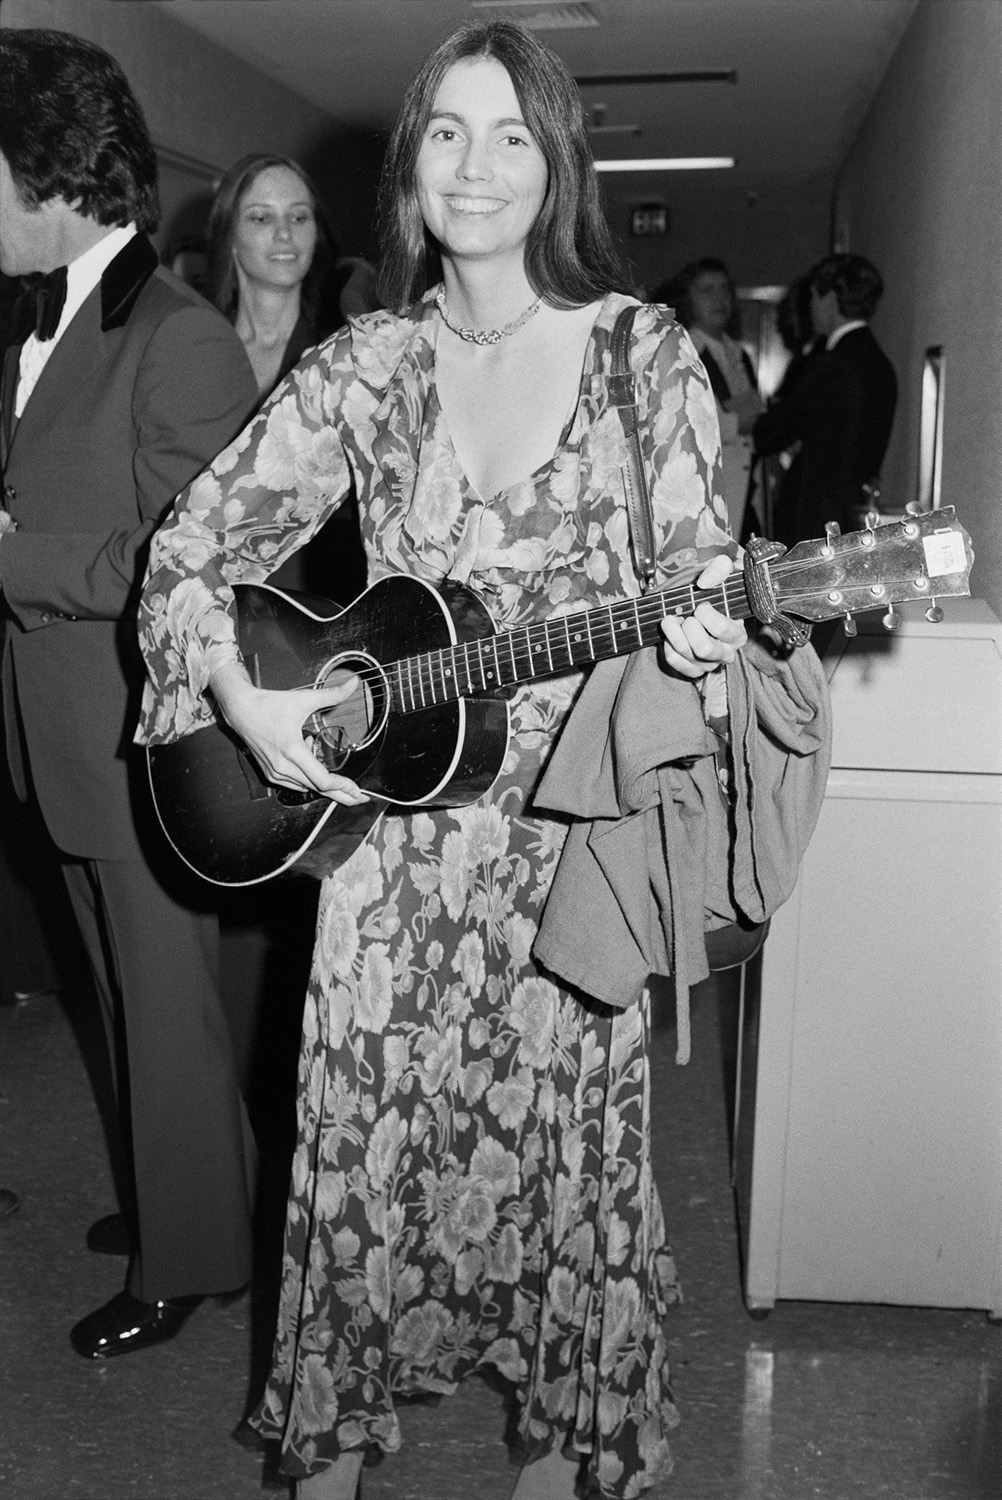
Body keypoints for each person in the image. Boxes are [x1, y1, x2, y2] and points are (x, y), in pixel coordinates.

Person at [137, 20, 825, 1499]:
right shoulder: (366, 364)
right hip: (384, 873)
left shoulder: (645, 360)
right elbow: (189, 549)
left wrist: (708, 642)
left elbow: (698, 567)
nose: (477, 163)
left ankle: (570, 1455)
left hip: (561, 861)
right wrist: (237, 695)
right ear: (410, 171)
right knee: (361, 1178)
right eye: (446, 131)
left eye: (512, 132)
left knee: (567, 1191)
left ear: (556, 162)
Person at [0, 28, 260, 1357]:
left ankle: (191, 1259)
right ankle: (191, 1203)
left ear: (48, 175)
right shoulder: (40, 316)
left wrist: (13, 562)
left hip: (138, 736)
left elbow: (186, 560)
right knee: (127, 993)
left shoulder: (183, 337)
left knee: (162, 1002)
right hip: (60, 729)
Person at [206, 150, 371, 599]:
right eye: (261, 218)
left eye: (300, 218)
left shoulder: (347, 355)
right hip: (214, 596)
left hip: (323, 599)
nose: (284, 233)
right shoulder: (194, 353)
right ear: (230, 236)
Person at [754, 251, 898, 547]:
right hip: (855, 517)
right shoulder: (881, 364)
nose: (810, 307)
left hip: (815, 522)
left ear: (831, 298)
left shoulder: (831, 365)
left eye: (812, 298)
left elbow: (768, 434)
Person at [654, 257, 764, 540]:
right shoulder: (682, 349)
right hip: (708, 489)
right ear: (687, 298)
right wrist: (741, 423)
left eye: (725, 289)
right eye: (706, 290)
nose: (719, 298)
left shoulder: (739, 353)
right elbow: (683, 423)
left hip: (746, 485)